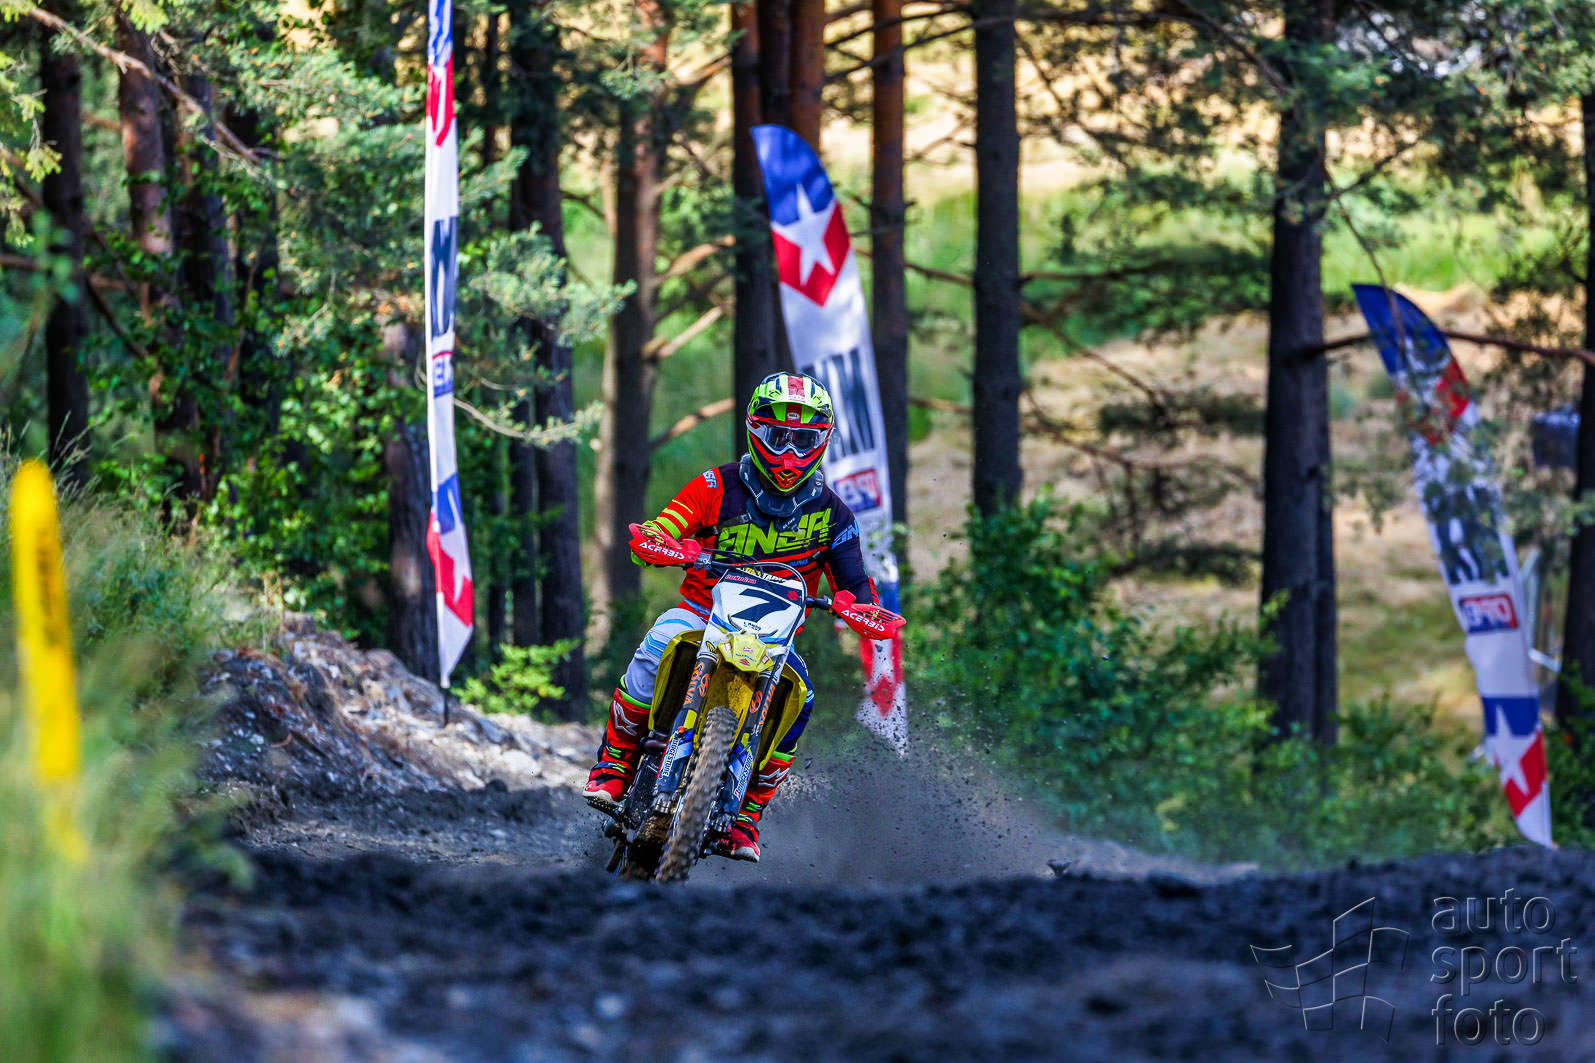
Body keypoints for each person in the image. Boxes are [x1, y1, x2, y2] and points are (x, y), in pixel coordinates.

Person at [582, 371, 878, 862]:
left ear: (822, 442)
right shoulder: (716, 485)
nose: (789, 453)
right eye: (778, 436)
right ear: (755, 430)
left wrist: (863, 609)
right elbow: (666, 524)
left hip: (775, 638)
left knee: (801, 700)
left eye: (803, 440)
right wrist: (661, 542)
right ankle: (614, 768)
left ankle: (745, 818)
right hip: (702, 612)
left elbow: (855, 582)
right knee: (655, 648)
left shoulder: (835, 515)